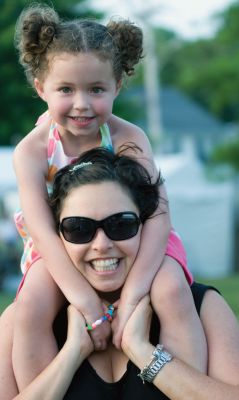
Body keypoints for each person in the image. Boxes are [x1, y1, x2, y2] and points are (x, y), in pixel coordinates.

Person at [10, 2, 206, 391]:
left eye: (96, 89)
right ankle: (41, 387)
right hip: (60, 245)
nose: (81, 104)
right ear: (41, 88)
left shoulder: (128, 137)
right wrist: (84, 301)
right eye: (66, 89)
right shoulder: (32, 151)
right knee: (31, 302)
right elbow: (42, 231)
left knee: (170, 288)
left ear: (117, 86)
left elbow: (158, 215)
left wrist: (134, 295)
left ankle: (183, 384)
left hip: (135, 236)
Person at [0, 147, 239, 399]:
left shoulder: (201, 306)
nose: (102, 245)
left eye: (121, 224)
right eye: (79, 228)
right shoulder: (23, 318)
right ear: (58, 236)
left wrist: (144, 352)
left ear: (145, 226)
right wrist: (71, 354)